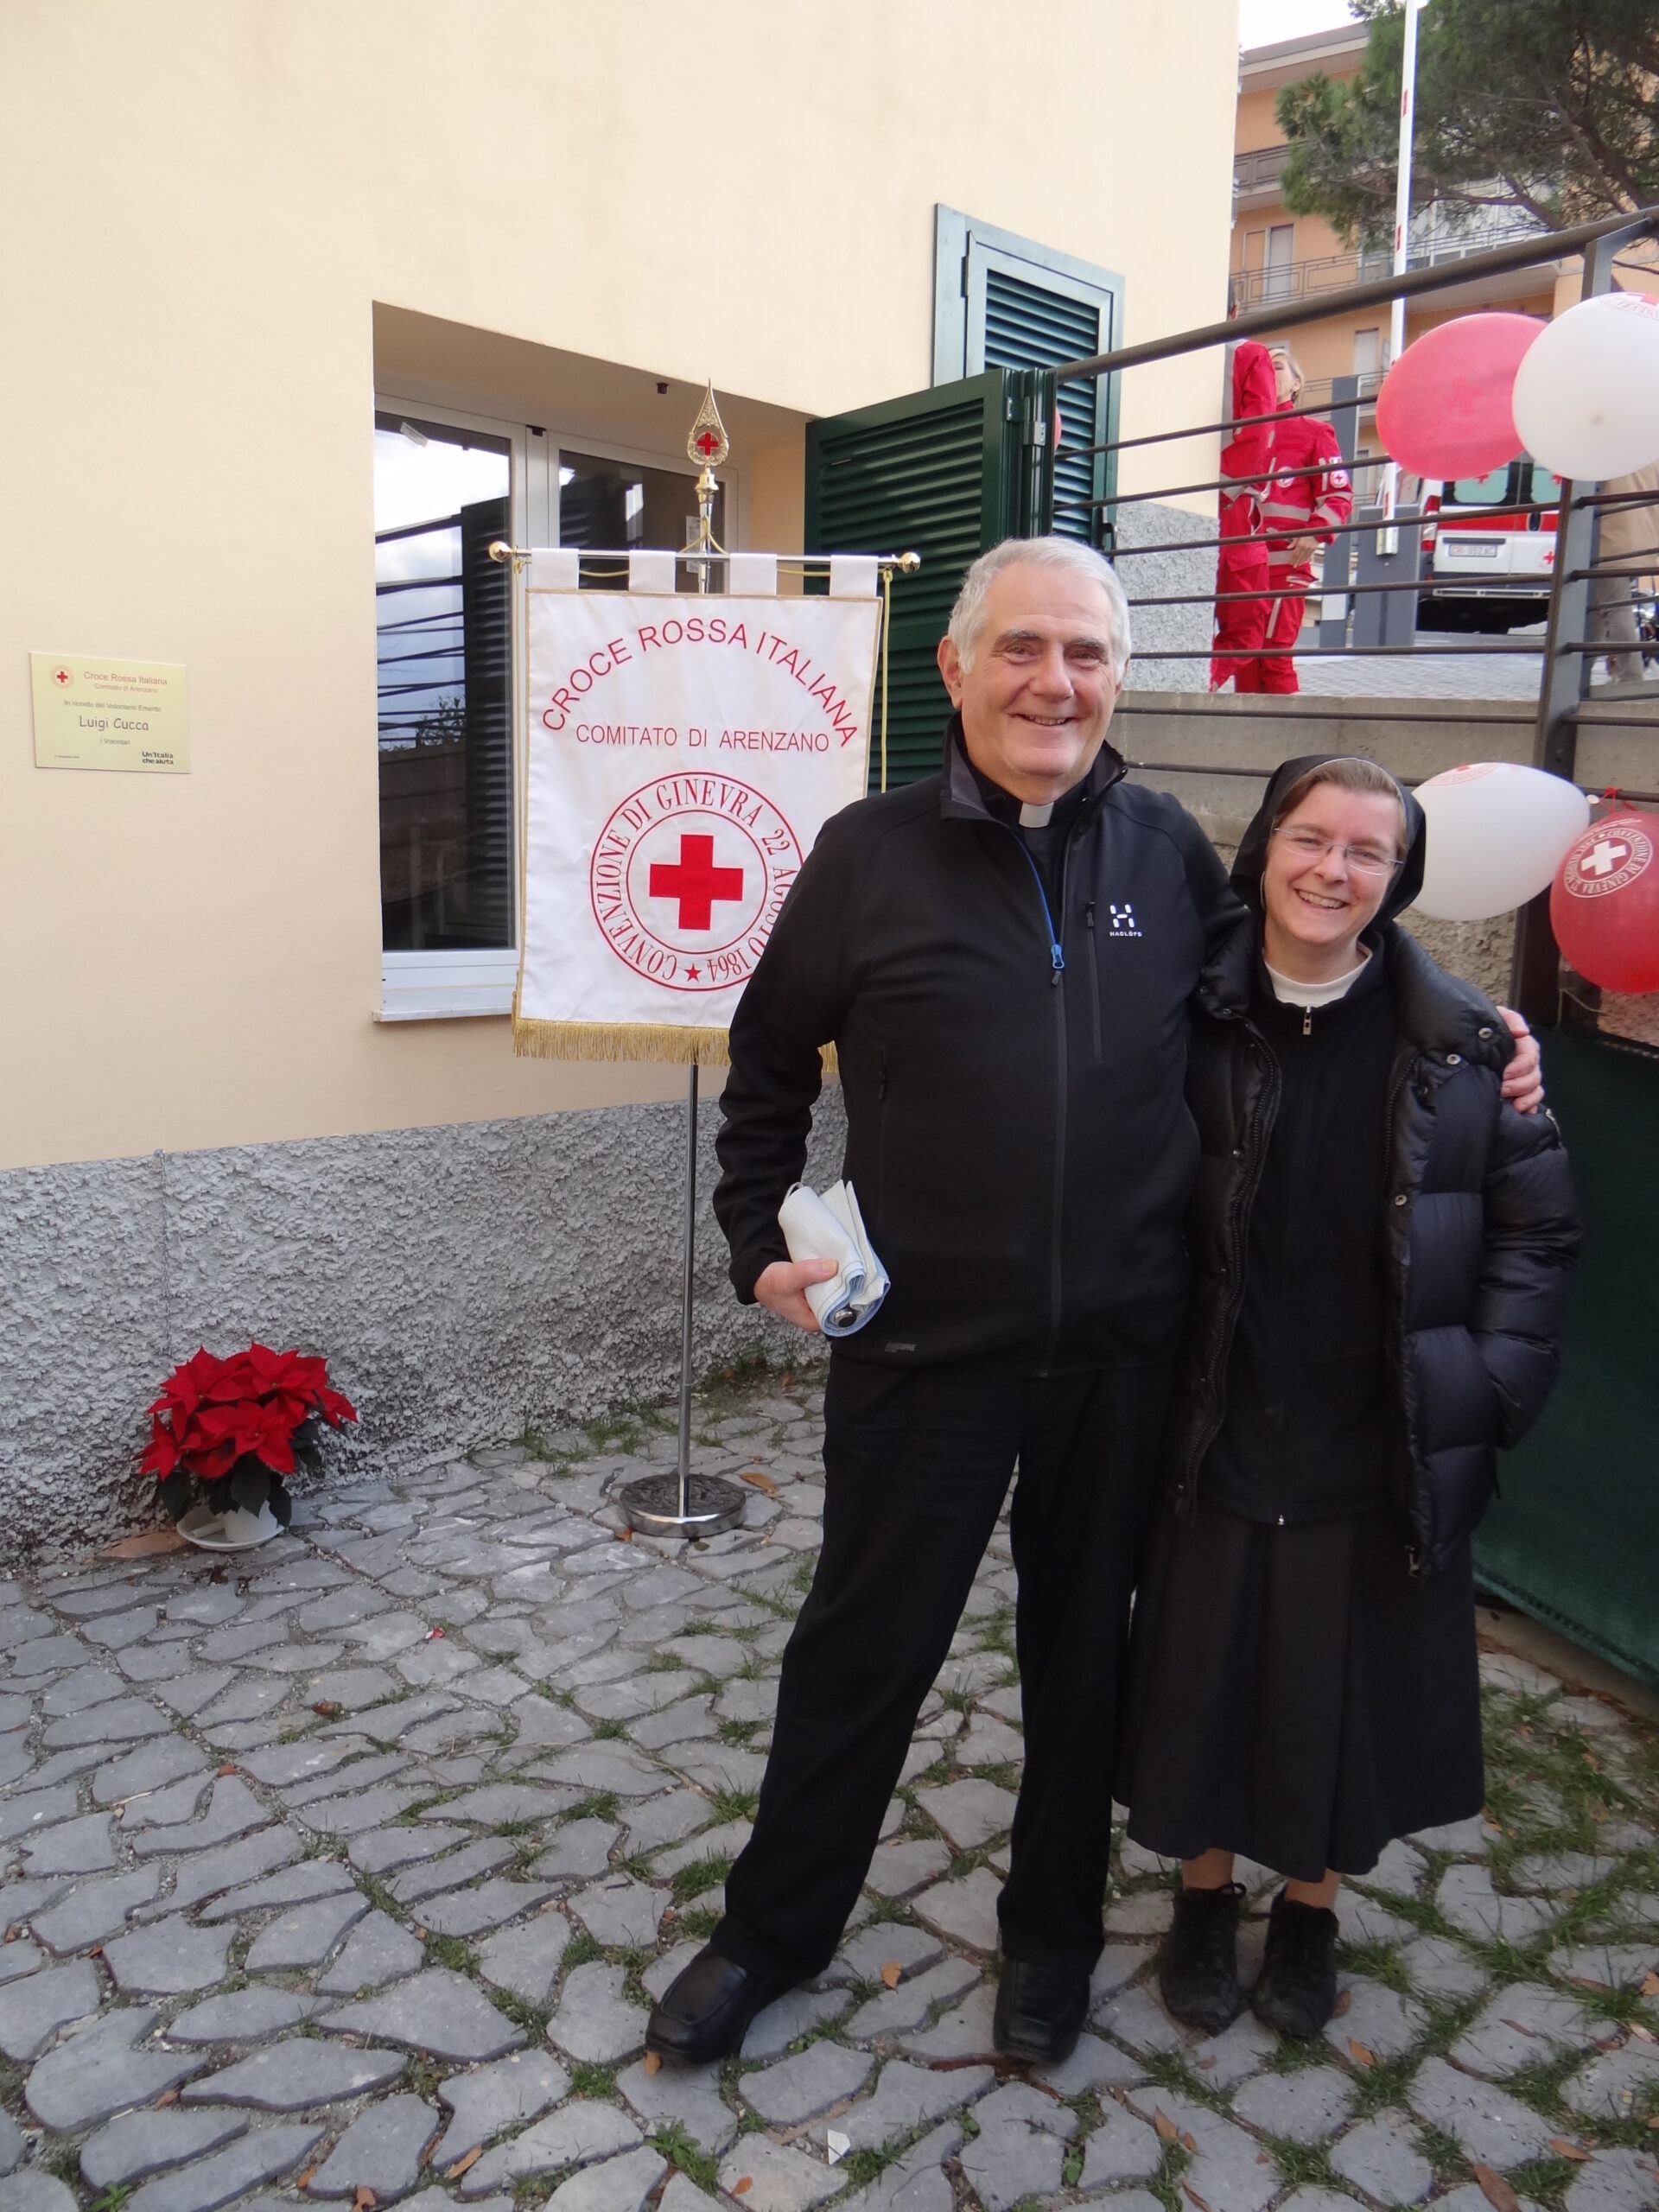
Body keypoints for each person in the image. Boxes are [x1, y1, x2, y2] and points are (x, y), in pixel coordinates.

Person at [643, 540, 1543, 2070]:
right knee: (861, 1658)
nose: (1055, 682)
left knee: (1084, 1668)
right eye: (1024, 649)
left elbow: (1302, 970)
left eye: (1087, 654)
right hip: (921, 1355)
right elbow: (770, 1075)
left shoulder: (1167, 851)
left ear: (1120, 677)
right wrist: (757, 1246)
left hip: (1128, 1355)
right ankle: (769, 1936)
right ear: (955, 666)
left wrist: (1475, 1022)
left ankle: (1049, 1943)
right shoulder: (863, 857)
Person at [1116, 753, 1579, 2040]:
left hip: (1377, 1422)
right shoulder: (1183, 1014)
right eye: (1311, 839)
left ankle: (1309, 1907)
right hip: (1214, 1405)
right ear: (1264, 848)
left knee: (1338, 1676)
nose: (1333, 869)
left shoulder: (1469, 1047)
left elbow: (1535, 1239)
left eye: (1367, 852)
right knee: (1206, 1663)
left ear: (1399, 878)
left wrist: (1483, 1387)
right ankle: (1205, 1895)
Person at [1235, 348, 1352, 696]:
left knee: (1275, 657)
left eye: (1279, 365)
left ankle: (1289, 734)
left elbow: (1339, 494)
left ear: (1297, 384)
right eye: (1264, 366)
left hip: (1285, 565)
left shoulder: (1315, 432)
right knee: (1242, 656)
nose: (1270, 370)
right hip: (1243, 567)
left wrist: (1315, 533)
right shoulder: (1241, 433)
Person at [1210, 338, 1278, 691]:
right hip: (1231, 506)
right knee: (1248, 629)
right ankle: (1199, 681)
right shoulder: (1247, 354)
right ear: (1235, 311)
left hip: (1185, 494)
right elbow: (1259, 431)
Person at [1587, 459, 1659, 684]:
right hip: (1642, 542)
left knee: (1614, 609)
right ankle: (1576, 671)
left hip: (1609, 542)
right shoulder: (1650, 457)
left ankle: (1632, 676)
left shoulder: (1609, 458)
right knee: (1597, 612)